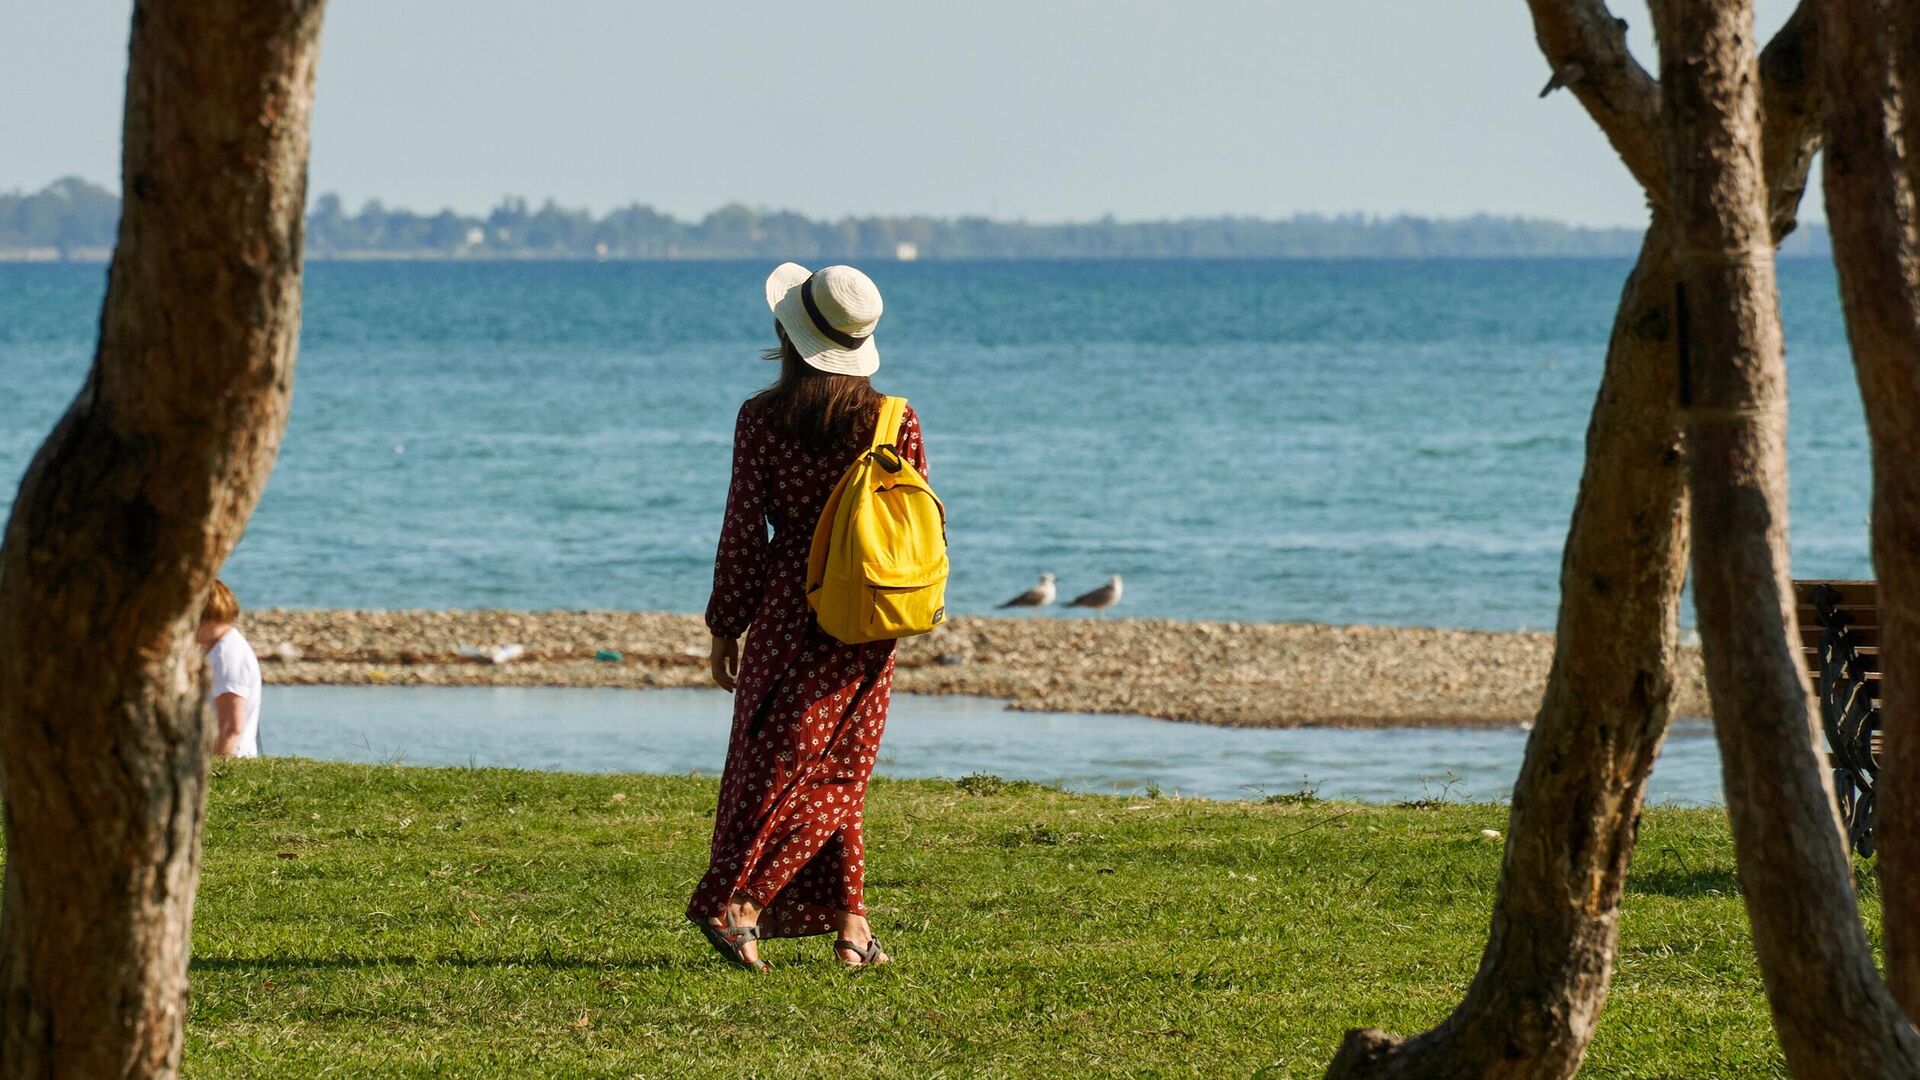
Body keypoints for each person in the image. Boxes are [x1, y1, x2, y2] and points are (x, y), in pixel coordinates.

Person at [688, 263, 926, 971]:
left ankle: (762, 906)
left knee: (780, 767)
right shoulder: (894, 420)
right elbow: (911, 527)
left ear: (790, 336)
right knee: (840, 771)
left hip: (791, 609)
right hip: (867, 609)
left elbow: (742, 532)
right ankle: (827, 921)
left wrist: (726, 625)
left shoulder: (760, 420)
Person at [197, 580, 262, 758]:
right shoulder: (218, 648)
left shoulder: (227, 655)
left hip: (231, 760)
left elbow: (231, 728)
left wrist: (216, 777)